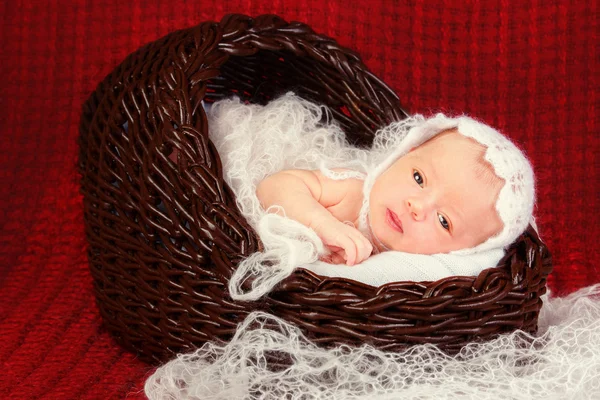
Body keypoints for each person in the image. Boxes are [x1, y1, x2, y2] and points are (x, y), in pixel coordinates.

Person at [256, 116, 534, 267]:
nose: (417, 206)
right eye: (418, 177)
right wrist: (322, 223)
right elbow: (275, 186)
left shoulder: (415, 272)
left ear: (461, 253)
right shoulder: (353, 192)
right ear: (404, 155)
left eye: (444, 221)